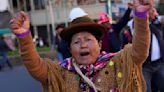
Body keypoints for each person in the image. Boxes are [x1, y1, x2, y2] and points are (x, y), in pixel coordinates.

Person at [9, 0, 152, 91]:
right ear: (70, 49)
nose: (83, 45)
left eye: (88, 40)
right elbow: (36, 68)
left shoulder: (117, 62)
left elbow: (139, 52)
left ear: (100, 44)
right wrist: (24, 37)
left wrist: (140, 16)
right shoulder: (60, 71)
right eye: (76, 42)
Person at [124, 8, 164, 92]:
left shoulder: (155, 24)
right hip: (144, 66)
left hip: (159, 64)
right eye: (153, 11)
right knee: (145, 89)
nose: (155, 13)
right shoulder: (137, 25)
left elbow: (161, 19)